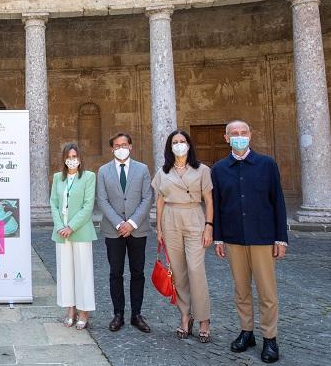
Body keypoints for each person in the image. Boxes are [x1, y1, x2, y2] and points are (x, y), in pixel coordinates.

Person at [212, 120, 288, 364]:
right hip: (234, 238)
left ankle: (270, 338)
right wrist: (218, 238)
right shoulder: (220, 168)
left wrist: (281, 238)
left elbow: (278, 201)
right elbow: (218, 206)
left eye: (243, 133)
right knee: (241, 290)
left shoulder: (267, 164)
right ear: (226, 138)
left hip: (263, 237)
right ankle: (247, 332)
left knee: (267, 291)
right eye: (234, 133)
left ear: (251, 135)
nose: (239, 136)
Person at [151, 130, 213, 343]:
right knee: (178, 272)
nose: (179, 145)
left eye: (182, 141)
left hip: (194, 216)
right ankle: (185, 315)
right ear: (170, 147)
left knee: (196, 270)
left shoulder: (202, 169)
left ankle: (204, 318)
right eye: (175, 142)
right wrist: (159, 228)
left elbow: (209, 199)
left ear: (189, 145)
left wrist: (209, 226)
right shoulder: (163, 171)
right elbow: (159, 201)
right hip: (170, 219)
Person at [96, 132, 153, 333]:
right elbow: (102, 200)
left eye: (124, 144)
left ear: (130, 146)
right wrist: (120, 224)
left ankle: (136, 314)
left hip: (137, 229)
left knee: (138, 272)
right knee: (115, 273)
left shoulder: (142, 169)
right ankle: (118, 314)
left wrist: (131, 223)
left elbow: (147, 198)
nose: (121, 148)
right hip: (113, 231)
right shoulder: (103, 171)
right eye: (117, 145)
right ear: (112, 149)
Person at [49, 143, 97, 330]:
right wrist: (60, 226)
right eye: (68, 156)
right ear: (64, 159)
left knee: (83, 272)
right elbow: (53, 203)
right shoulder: (57, 178)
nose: (72, 159)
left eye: (75, 156)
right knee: (65, 272)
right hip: (61, 233)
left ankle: (84, 311)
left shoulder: (88, 177)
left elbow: (88, 205)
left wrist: (71, 226)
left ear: (80, 158)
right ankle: (70, 309)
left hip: (80, 231)